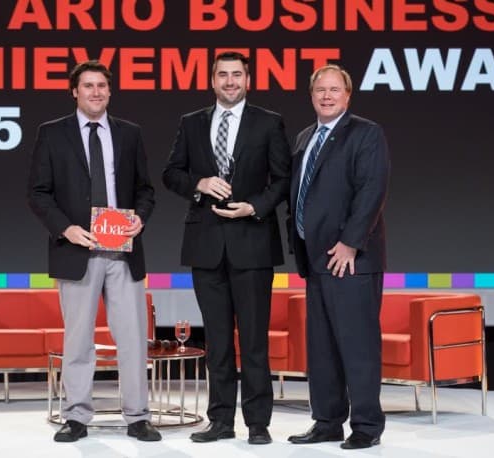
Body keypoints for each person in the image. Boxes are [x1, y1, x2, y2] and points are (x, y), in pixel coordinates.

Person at [27, 60, 160, 443]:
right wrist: (65, 228)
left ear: (110, 90)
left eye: (102, 85)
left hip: (123, 252)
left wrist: (141, 219)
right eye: (88, 86)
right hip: (77, 251)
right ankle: (76, 417)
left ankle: (138, 417)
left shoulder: (129, 134)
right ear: (75, 91)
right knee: (78, 338)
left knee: (133, 338)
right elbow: (38, 192)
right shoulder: (52, 134)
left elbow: (144, 190)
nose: (96, 92)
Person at [162, 51, 291, 445]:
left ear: (248, 81)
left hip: (252, 243)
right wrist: (198, 184)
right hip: (206, 246)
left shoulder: (269, 123)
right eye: (223, 75)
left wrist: (256, 206)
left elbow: (284, 179)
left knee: (253, 339)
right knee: (217, 340)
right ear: (212, 81)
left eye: (237, 75)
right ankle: (219, 420)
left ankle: (257, 423)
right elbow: (171, 173)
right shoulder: (191, 123)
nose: (230, 81)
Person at [287, 65, 390, 450]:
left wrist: (350, 242)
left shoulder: (366, 133)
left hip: (351, 259)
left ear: (348, 95)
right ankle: (327, 421)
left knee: (357, 345)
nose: (327, 96)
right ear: (311, 95)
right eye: (320, 90)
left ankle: (365, 426)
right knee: (324, 347)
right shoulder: (304, 137)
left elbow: (371, 191)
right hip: (316, 259)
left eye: (334, 90)